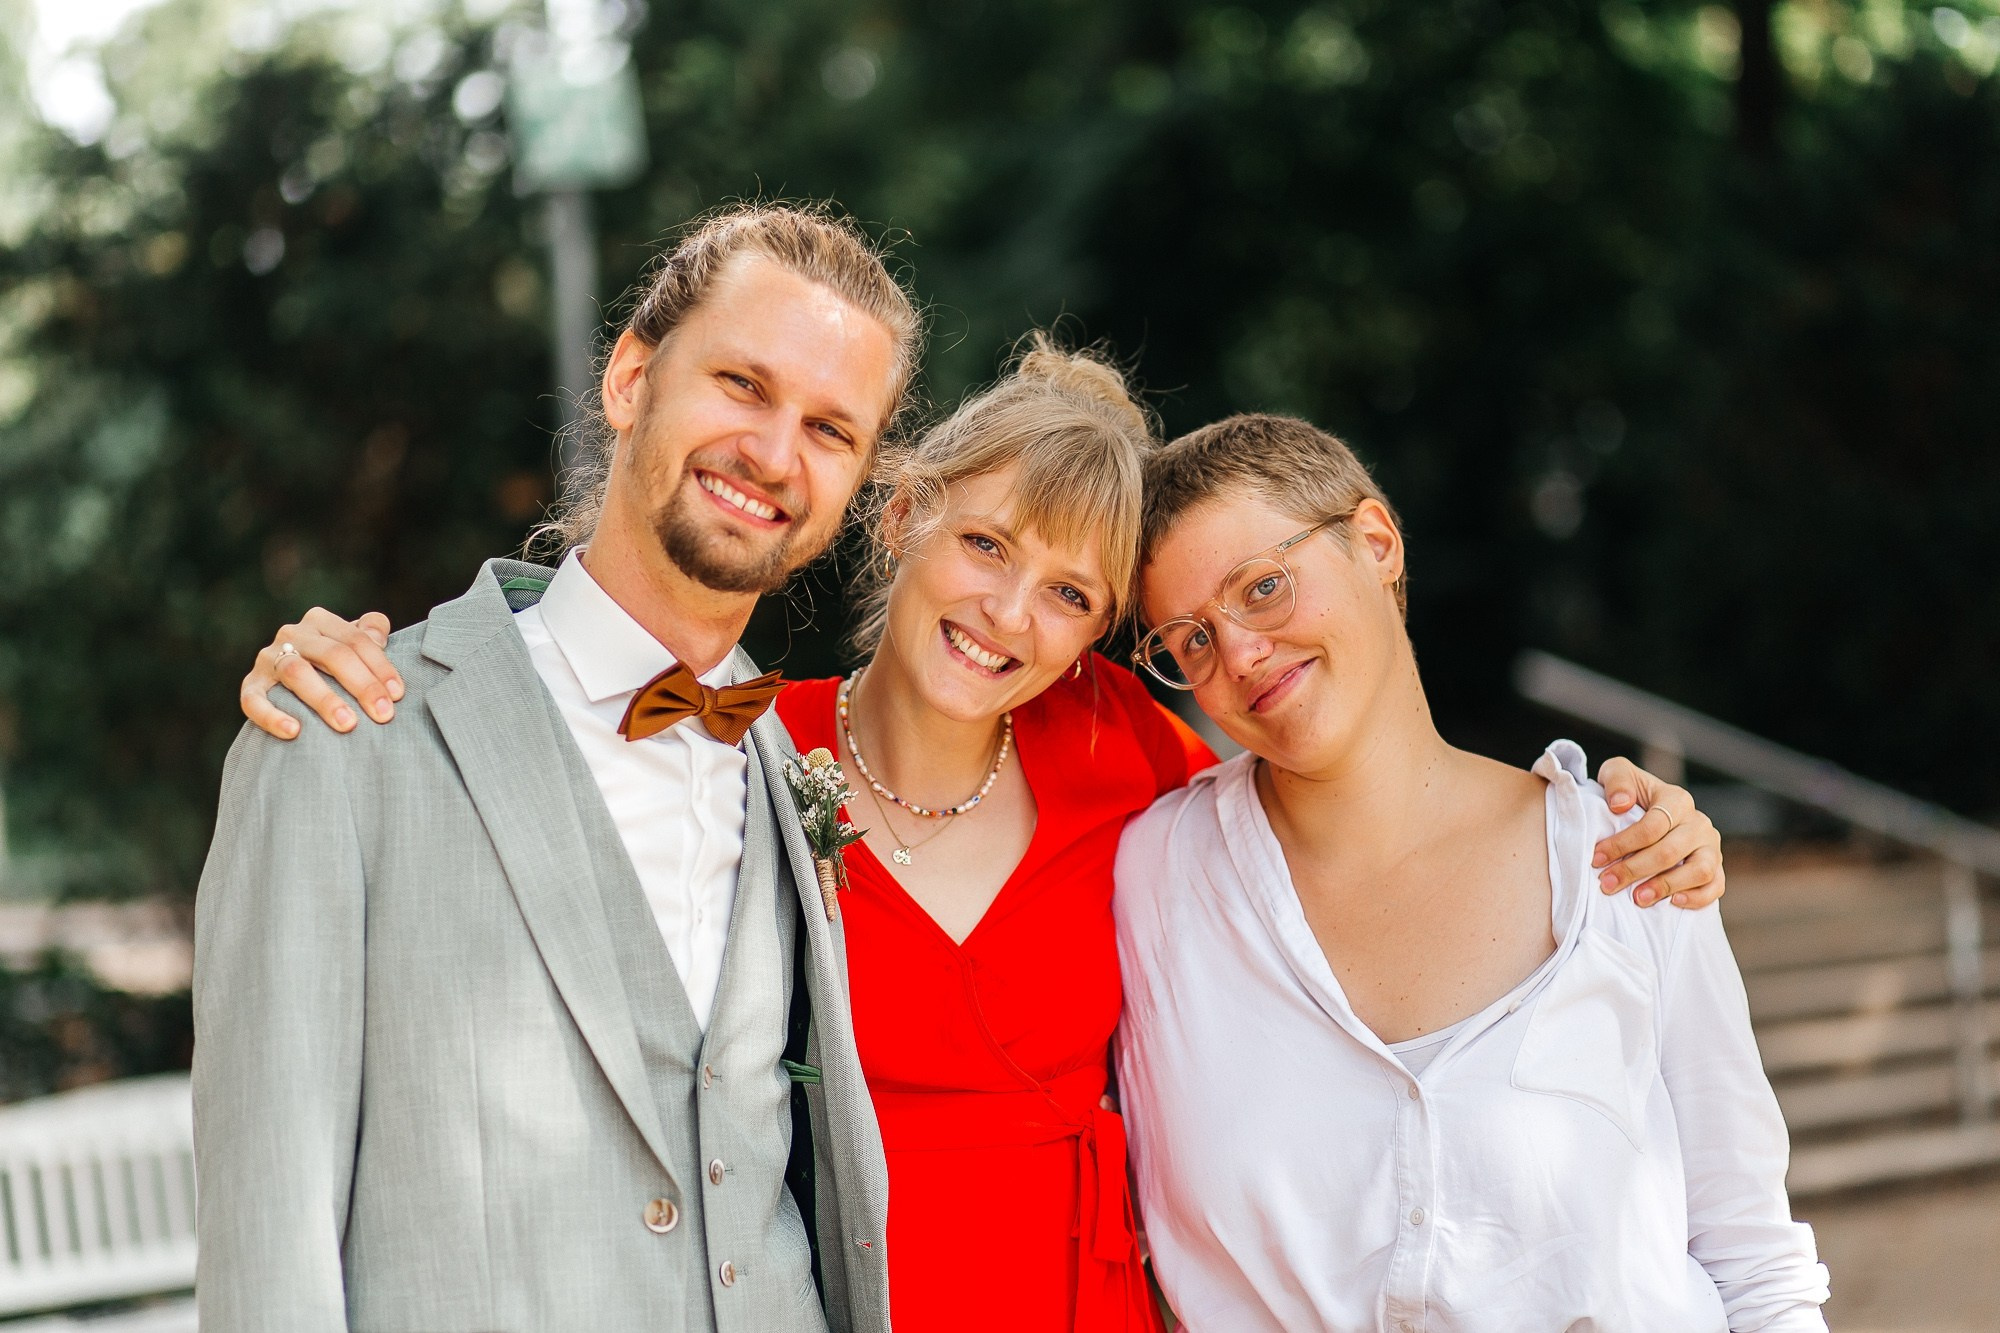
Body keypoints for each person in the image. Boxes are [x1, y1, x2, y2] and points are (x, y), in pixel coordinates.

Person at [237, 357, 1728, 1328]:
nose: (1013, 615)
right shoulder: (740, 739)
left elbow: (1339, 789)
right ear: (902, 517)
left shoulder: (1128, 756)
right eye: (989, 547)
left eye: (1076, 597)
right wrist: (345, 663)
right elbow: (540, 746)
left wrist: (1602, 817)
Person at [192, 202, 923, 1332]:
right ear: (631, 378)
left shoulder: (788, 767)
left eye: (832, 430)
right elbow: (267, 1245)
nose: (775, 454)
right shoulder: (344, 735)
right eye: (741, 384)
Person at [1114, 413, 1828, 1331]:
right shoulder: (1152, 881)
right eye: (1191, 642)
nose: (1241, 653)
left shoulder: (1626, 860)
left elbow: (1756, 1263)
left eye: (1263, 587)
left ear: (1375, 543)